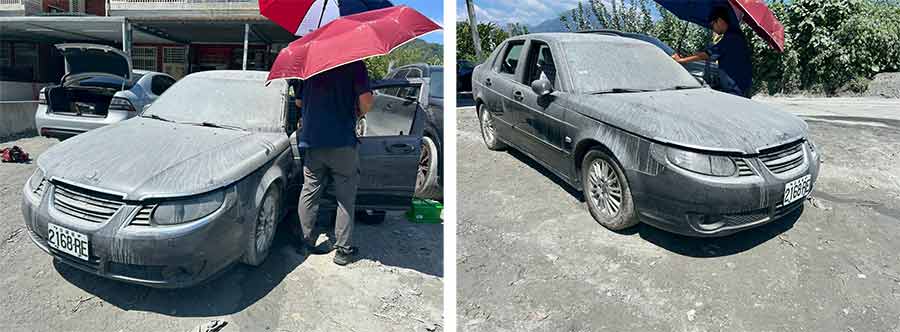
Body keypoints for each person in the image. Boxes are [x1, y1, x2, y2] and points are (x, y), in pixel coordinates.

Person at [292, 61, 374, 266]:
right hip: (342, 141)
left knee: (309, 190)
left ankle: (304, 242)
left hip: (313, 140)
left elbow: (299, 103)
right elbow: (366, 102)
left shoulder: (309, 65)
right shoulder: (355, 65)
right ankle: (343, 251)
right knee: (345, 197)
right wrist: (358, 113)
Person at [672, 7, 753, 98]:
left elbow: (706, 55)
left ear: (720, 20)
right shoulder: (735, 36)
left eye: (712, 25)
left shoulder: (731, 38)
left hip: (736, 91)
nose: (712, 29)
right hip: (740, 88)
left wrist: (682, 60)